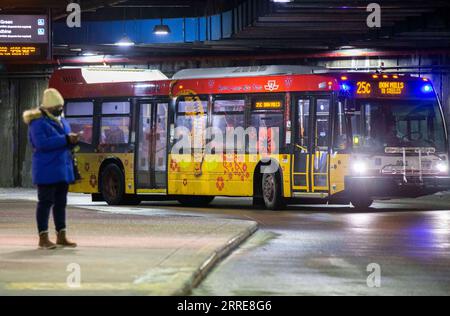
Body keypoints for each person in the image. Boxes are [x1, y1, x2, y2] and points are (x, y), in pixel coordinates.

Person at [23, 88, 78, 250]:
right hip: (46, 169)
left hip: (62, 169)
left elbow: (63, 141)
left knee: (61, 203)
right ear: (49, 106)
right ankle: (43, 237)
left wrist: (72, 140)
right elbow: (41, 144)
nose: (60, 109)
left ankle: (61, 235)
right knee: (45, 203)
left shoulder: (62, 121)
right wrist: (65, 139)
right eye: (58, 106)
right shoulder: (38, 122)